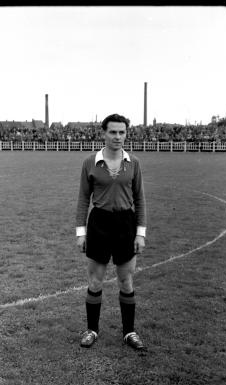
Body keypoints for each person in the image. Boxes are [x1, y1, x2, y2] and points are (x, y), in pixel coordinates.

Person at [76, 113, 147, 350]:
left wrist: (140, 233)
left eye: (122, 132)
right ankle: (92, 330)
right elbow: (83, 198)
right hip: (99, 223)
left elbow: (140, 199)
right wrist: (81, 232)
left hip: (126, 224)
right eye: (113, 132)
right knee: (95, 280)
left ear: (127, 133)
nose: (117, 137)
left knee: (126, 280)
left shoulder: (134, 162)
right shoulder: (90, 162)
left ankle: (129, 332)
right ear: (104, 133)